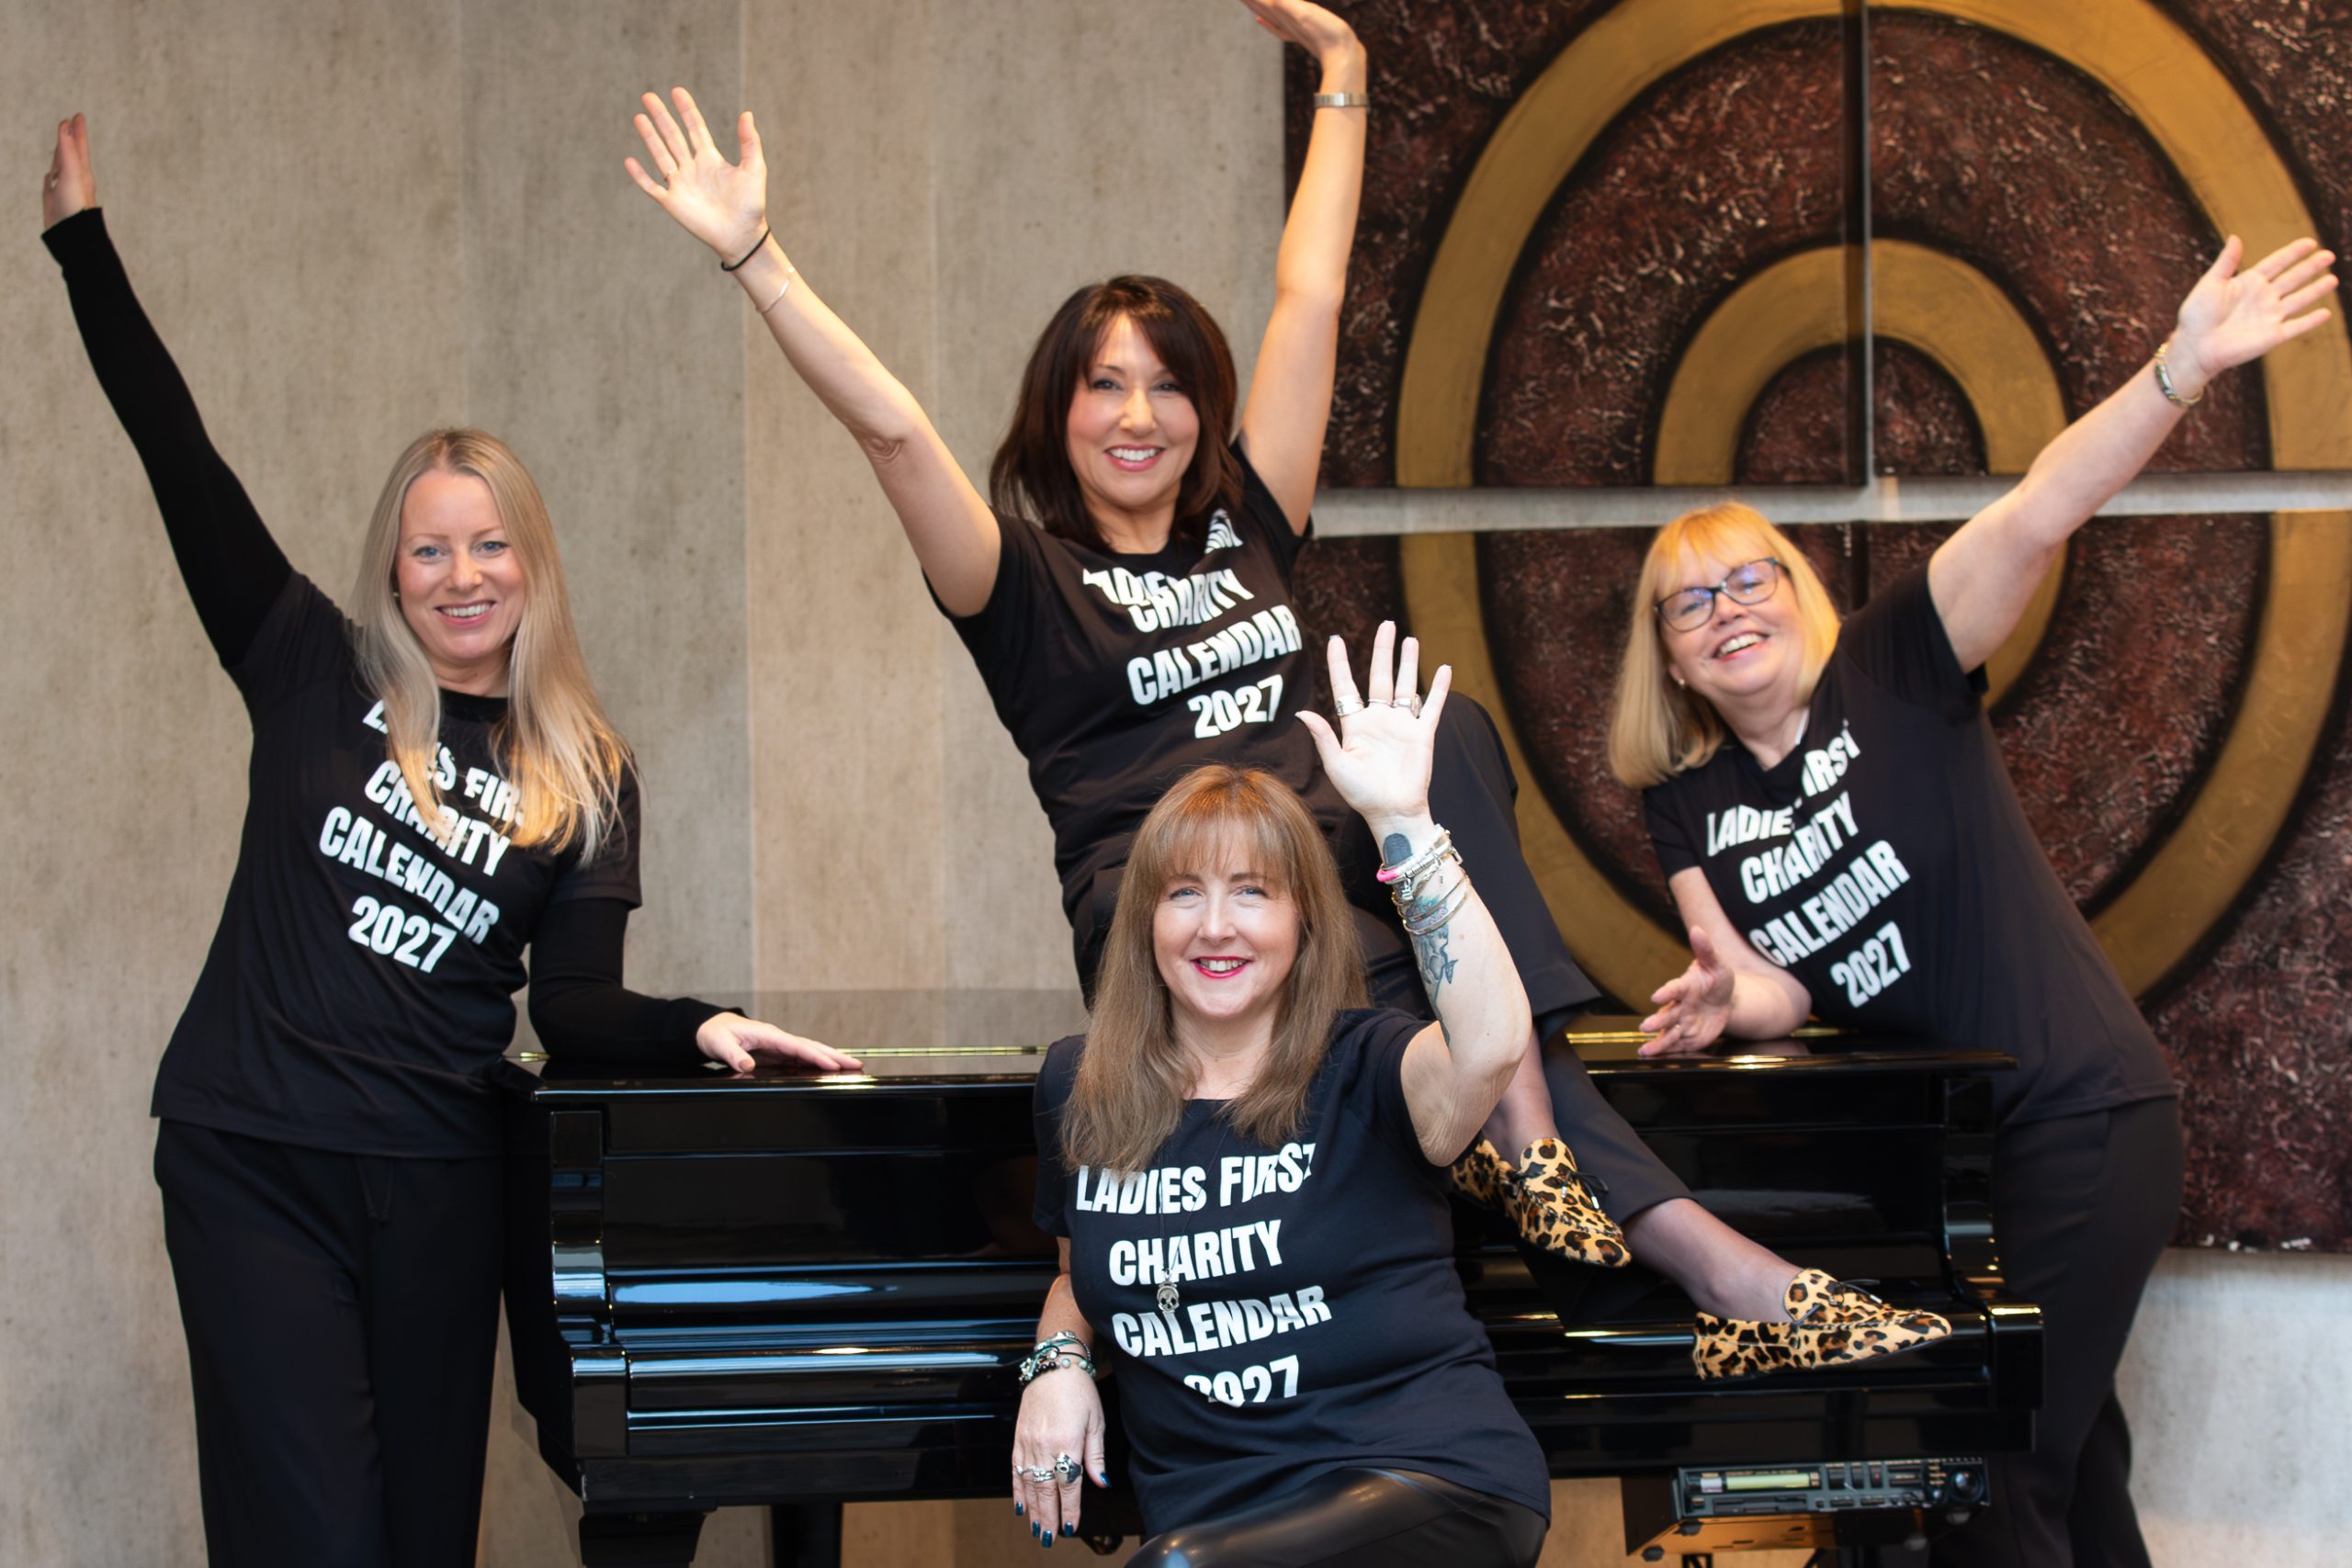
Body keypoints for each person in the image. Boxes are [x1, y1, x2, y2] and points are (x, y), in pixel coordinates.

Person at [624, 0, 1947, 1371]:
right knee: (1412, 987)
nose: (1139, 415)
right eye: (1103, 386)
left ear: (1203, 408)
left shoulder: (1245, 528)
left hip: (1320, 875)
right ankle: (1696, 1249)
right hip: (1174, 898)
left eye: (1169, 387)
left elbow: (1310, 297)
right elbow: (895, 433)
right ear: (1055, 412)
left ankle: (1563, 1154)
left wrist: (1346, 74)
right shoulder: (1019, 585)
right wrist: (758, 257)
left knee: (1446, 732)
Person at [40, 114, 859, 1568]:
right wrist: (81, 247)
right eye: (430, 548)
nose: (461, 575)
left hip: (437, 1177)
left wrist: (699, 1023)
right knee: (317, 1534)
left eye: (490, 545)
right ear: (393, 567)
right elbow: (179, 453)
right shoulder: (308, 664)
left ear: (532, 562)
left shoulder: (589, 770)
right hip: (256, 1155)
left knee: (423, 1535)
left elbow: (575, 1005)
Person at [1617, 235, 2336, 1562]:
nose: (1723, 609)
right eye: (1686, 603)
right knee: (2071, 1463)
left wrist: (2179, 369)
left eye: (1748, 577)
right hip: (1949, 1161)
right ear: (1666, 657)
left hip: (2083, 1113)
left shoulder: (1895, 660)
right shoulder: (1686, 799)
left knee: (1985, 1463)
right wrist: (1724, 1001)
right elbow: (1769, 986)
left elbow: (2039, 509)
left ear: (1797, 591)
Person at [1014, 629, 1548, 1564]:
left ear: (1303, 921)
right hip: (1211, 1514)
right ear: (1145, 922)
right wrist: (1056, 1364)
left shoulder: (1365, 1064)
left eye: (1253, 892)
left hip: (1421, 1475)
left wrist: (1405, 824)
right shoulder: (1081, 1081)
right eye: (1184, 893)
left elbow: (1493, 1042)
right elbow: (1078, 1273)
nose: (1215, 926)